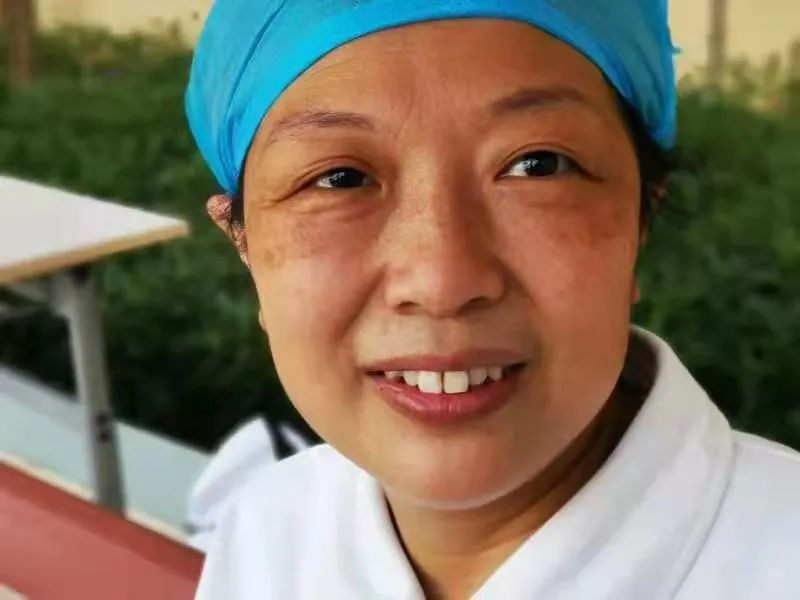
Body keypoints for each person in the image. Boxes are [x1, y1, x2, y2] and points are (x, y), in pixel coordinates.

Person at [185, 1, 800, 598]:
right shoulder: (268, 534)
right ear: (243, 243)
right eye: (339, 179)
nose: (442, 282)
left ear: (640, 219)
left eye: (538, 165)